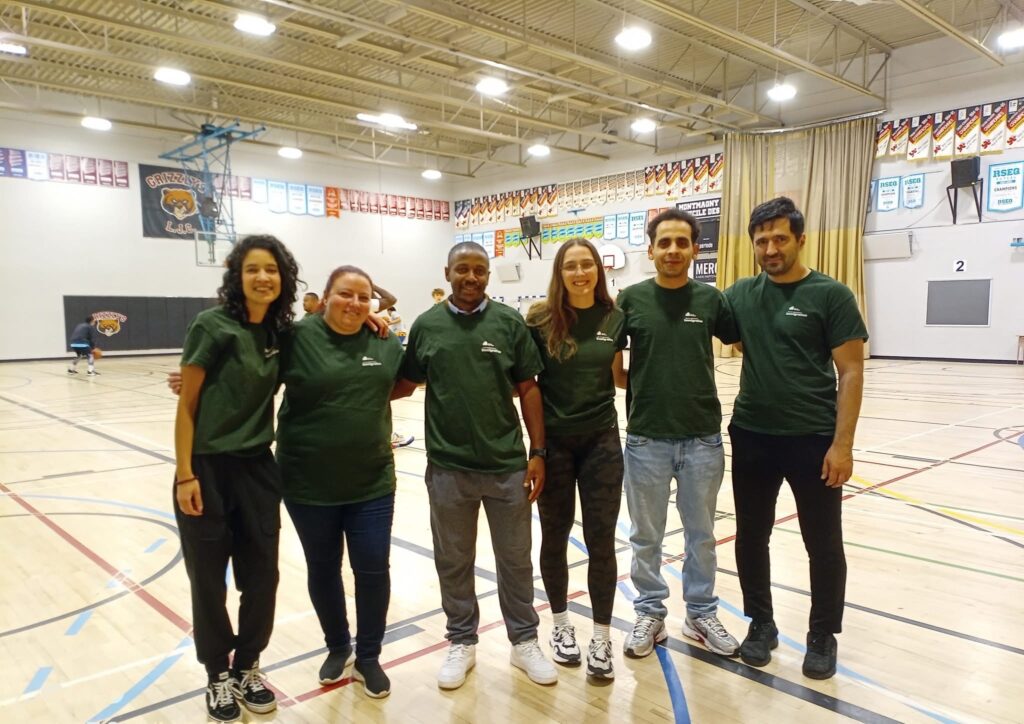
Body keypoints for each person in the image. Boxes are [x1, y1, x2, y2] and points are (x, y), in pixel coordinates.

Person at [398, 241, 558, 689]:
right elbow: (403, 383)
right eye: (463, 269)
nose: (471, 277)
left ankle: (524, 640)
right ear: (447, 272)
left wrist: (538, 453)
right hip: (448, 469)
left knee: (516, 560)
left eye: (480, 270)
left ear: (488, 275)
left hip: (506, 466)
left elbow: (529, 388)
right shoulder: (426, 325)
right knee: (453, 560)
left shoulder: (508, 322)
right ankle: (461, 640)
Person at [723, 197, 867, 680]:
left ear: (801, 240)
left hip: (813, 440)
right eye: (761, 240)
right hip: (752, 435)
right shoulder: (740, 295)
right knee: (751, 536)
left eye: (780, 238)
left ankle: (822, 634)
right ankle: (760, 624)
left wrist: (842, 445)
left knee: (822, 543)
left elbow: (851, 372)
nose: (770, 248)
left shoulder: (831, 295)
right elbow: (724, 334)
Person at [173, 234, 299, 723]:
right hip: (206, 470)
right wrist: (186, 474)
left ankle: (248, 666)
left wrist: (374, 316)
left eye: (271, 269)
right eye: (252, 269)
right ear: (237, 276)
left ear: (283, 278)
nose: (263, 277)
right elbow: (187, 405)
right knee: (208, 580)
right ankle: (217, 674)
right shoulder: (212, 325)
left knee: (263, 577)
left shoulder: (280, 335)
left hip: (258, 470)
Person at [612, 208, 740, 660]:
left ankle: (700, 613)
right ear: (650, 250)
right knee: (646, 536)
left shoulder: (710, 300)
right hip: (646, 438)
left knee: (701, 535)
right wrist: (639, 387)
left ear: (694, 250)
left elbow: (743, 342)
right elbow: (611, 357)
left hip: (703, 438)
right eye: (663, 243)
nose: (672, 250)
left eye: (681, 243)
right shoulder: (630, 299)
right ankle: (649, 612)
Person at [276, 265, 409, 699]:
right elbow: (252, 378)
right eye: (345, 294)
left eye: (363, 297)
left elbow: (403, 384)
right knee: (323, 568)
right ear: (325, 298)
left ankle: (368, 656)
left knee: (372, 568)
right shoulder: (295, 338)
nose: (354, 303)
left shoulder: (385, 341)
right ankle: (337, 646)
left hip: (371, 481)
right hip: (306, 482)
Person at [525, 239, 626, 681]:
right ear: (559, 273)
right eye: (571, 266)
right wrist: (536, 450)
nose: (580, 272)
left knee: (602, 540)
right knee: (554, 535)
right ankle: (561, 625)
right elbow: (525, 383)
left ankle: (602, 637)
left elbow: (620, 376)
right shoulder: (538, 319)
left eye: (587, 264)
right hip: (555, 445)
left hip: (602, 441)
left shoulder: (615, 317)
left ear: (598, 270)